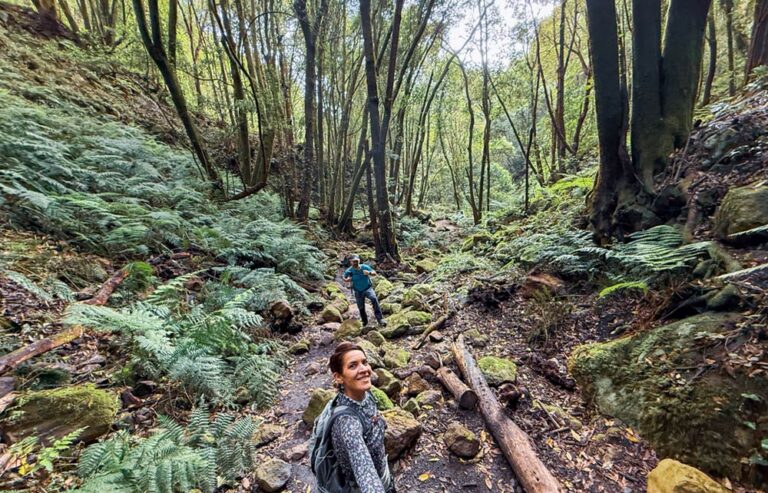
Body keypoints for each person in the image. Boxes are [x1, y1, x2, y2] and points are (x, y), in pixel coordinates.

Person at [322, 341, 395, 493]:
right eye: (353, 365)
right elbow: (364, 471)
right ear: (338, 377)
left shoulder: (364, 393)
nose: (364, 369)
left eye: (364, 362)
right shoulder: (347, 423)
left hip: (383, 468)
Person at [343, 255, 386, 327]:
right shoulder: (349, 270)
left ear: (359, 261)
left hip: (367, 288)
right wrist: (346, 279)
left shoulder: (364, 267)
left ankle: (380, 319)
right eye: (354, 261)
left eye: (357, 261)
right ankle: (364, 321)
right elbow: (344, 276)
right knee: (361, 307)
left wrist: (369, 273)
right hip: (358, 291)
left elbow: (374, 273)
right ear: (350, 262)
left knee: (374, 299)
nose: (355, 263)